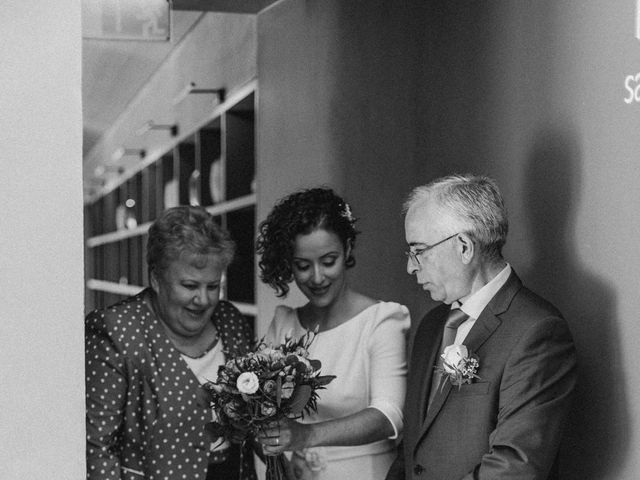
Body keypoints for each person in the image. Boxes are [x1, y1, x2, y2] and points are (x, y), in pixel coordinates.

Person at [386, 174, 577, 480]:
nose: (411, 266)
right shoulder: (431, 326)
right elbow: (412, 449)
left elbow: (515, 466)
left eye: (418, 251)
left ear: (464, 247)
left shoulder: (538, 332)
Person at [85, 206, 257, 480]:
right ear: (156, 278)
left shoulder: (231, 321)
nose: (203, 299)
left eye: (213, 286)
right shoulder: (117, 331)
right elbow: (96, 448)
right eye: (189, 286)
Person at [255, 187, 410, 480]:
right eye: (303, 266)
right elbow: (260, 412)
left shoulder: (382, 321)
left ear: (348, 249)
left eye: (328, 261)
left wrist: (306, 435)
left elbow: (390, 416)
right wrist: (276, 457)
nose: (316, 277)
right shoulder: (285, 322)